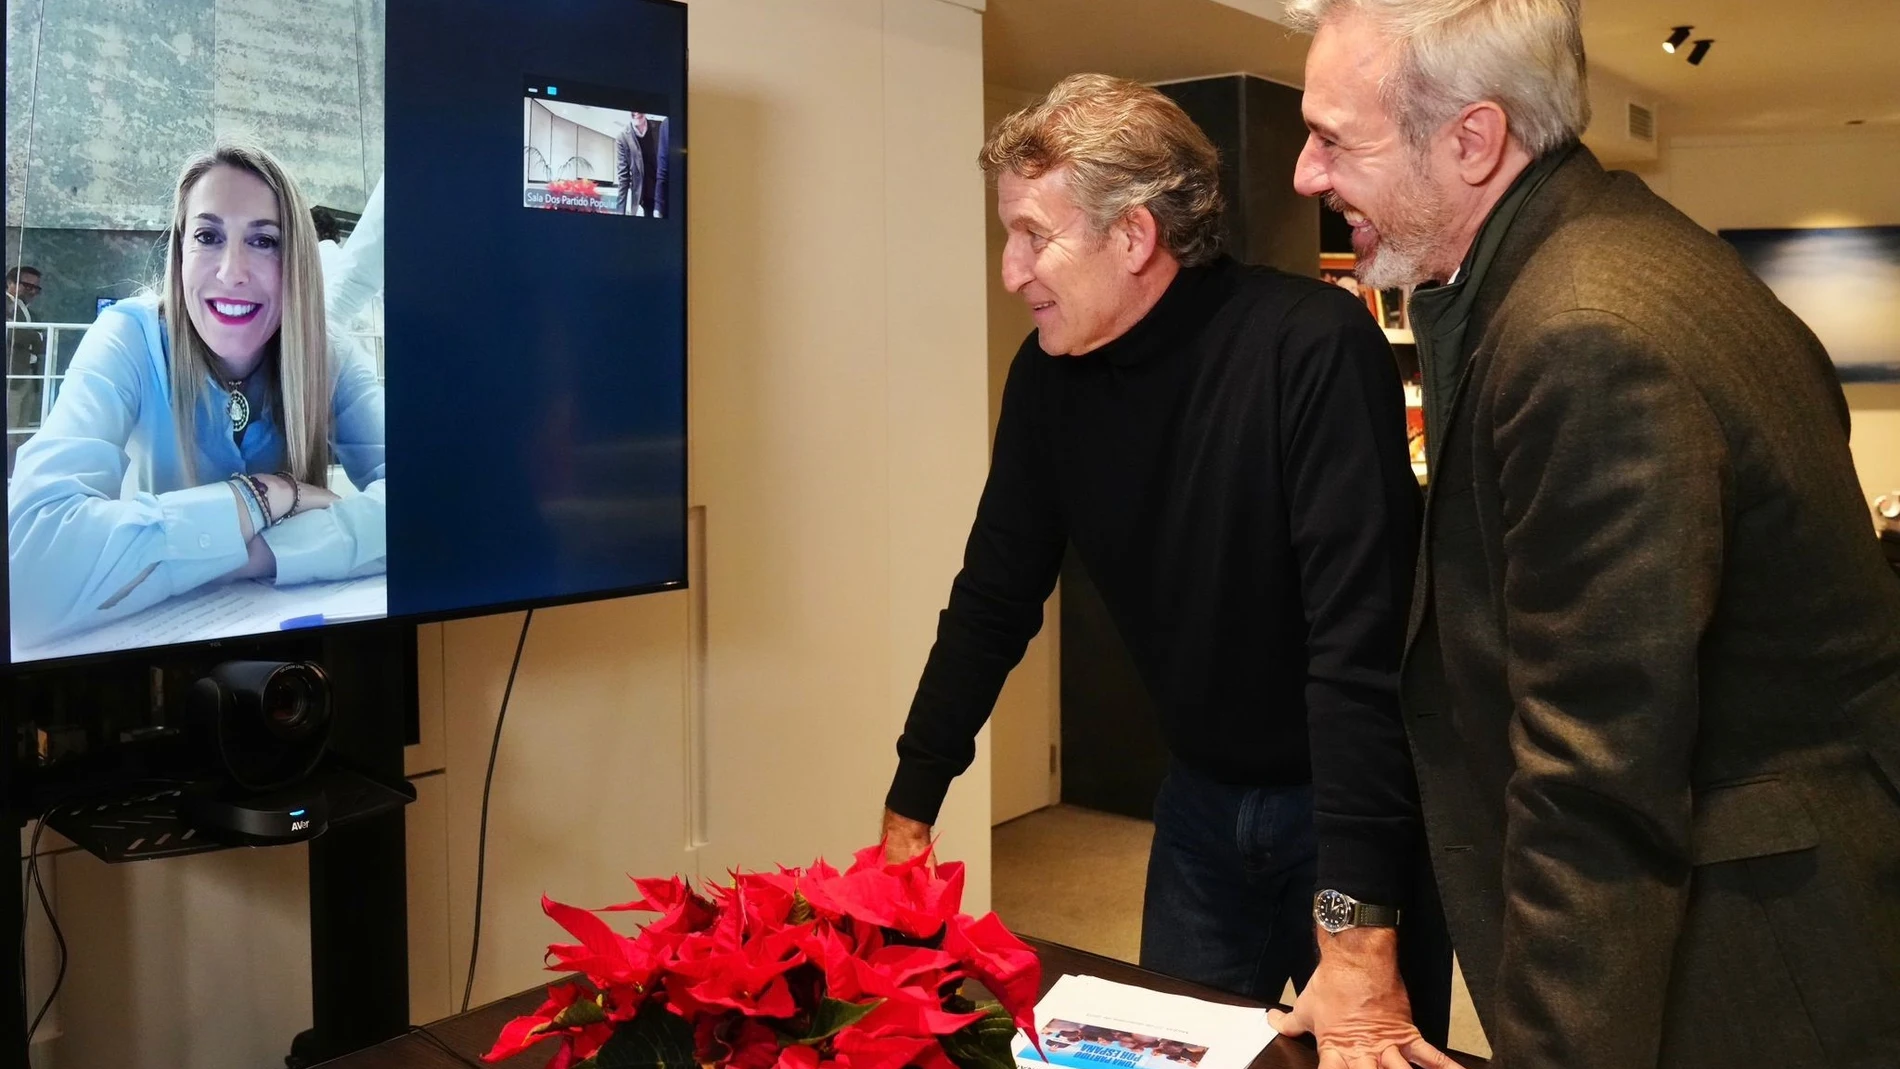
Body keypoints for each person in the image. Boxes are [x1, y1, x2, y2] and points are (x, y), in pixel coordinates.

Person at [1276, 2, 1900, 1067]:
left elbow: (1597, 777)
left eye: (1334, 137)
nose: (1303, 173)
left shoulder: (1581, 330)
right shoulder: (1611, 255)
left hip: (1747, 966)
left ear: (1471, 141)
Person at [880, 73, 1450, 1029]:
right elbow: (993, 596)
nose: (1012, 271)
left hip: (1352, 809)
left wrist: (1356, 927)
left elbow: (1359, 654)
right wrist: (912, 803)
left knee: (1365, 1047)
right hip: (1198, 807)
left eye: (1033, 234)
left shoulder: (1308, 347)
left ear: (1135, 236)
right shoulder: (1048, 379)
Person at [7, 139, 386, 649]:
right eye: (207, 236)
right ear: (180, 253)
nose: (231, 272)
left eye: (264, 241)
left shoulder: (326, 352)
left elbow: (431, 508)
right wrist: (266, 496)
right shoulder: (128, 337)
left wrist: (247, 554)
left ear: (295, 258)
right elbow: (27, 569)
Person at [6, 265, 47, 469]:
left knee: (21, 433)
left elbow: (41, 345)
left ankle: (15, 473)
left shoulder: (30, 313)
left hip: (29, 376)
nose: (32, 291)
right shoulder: (7, 305)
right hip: (11, 377)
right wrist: (34, 336)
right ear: (11, 283)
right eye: (27, 285)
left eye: (36, 288)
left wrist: (32, 338)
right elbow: (16, 335)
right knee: (9, 429)